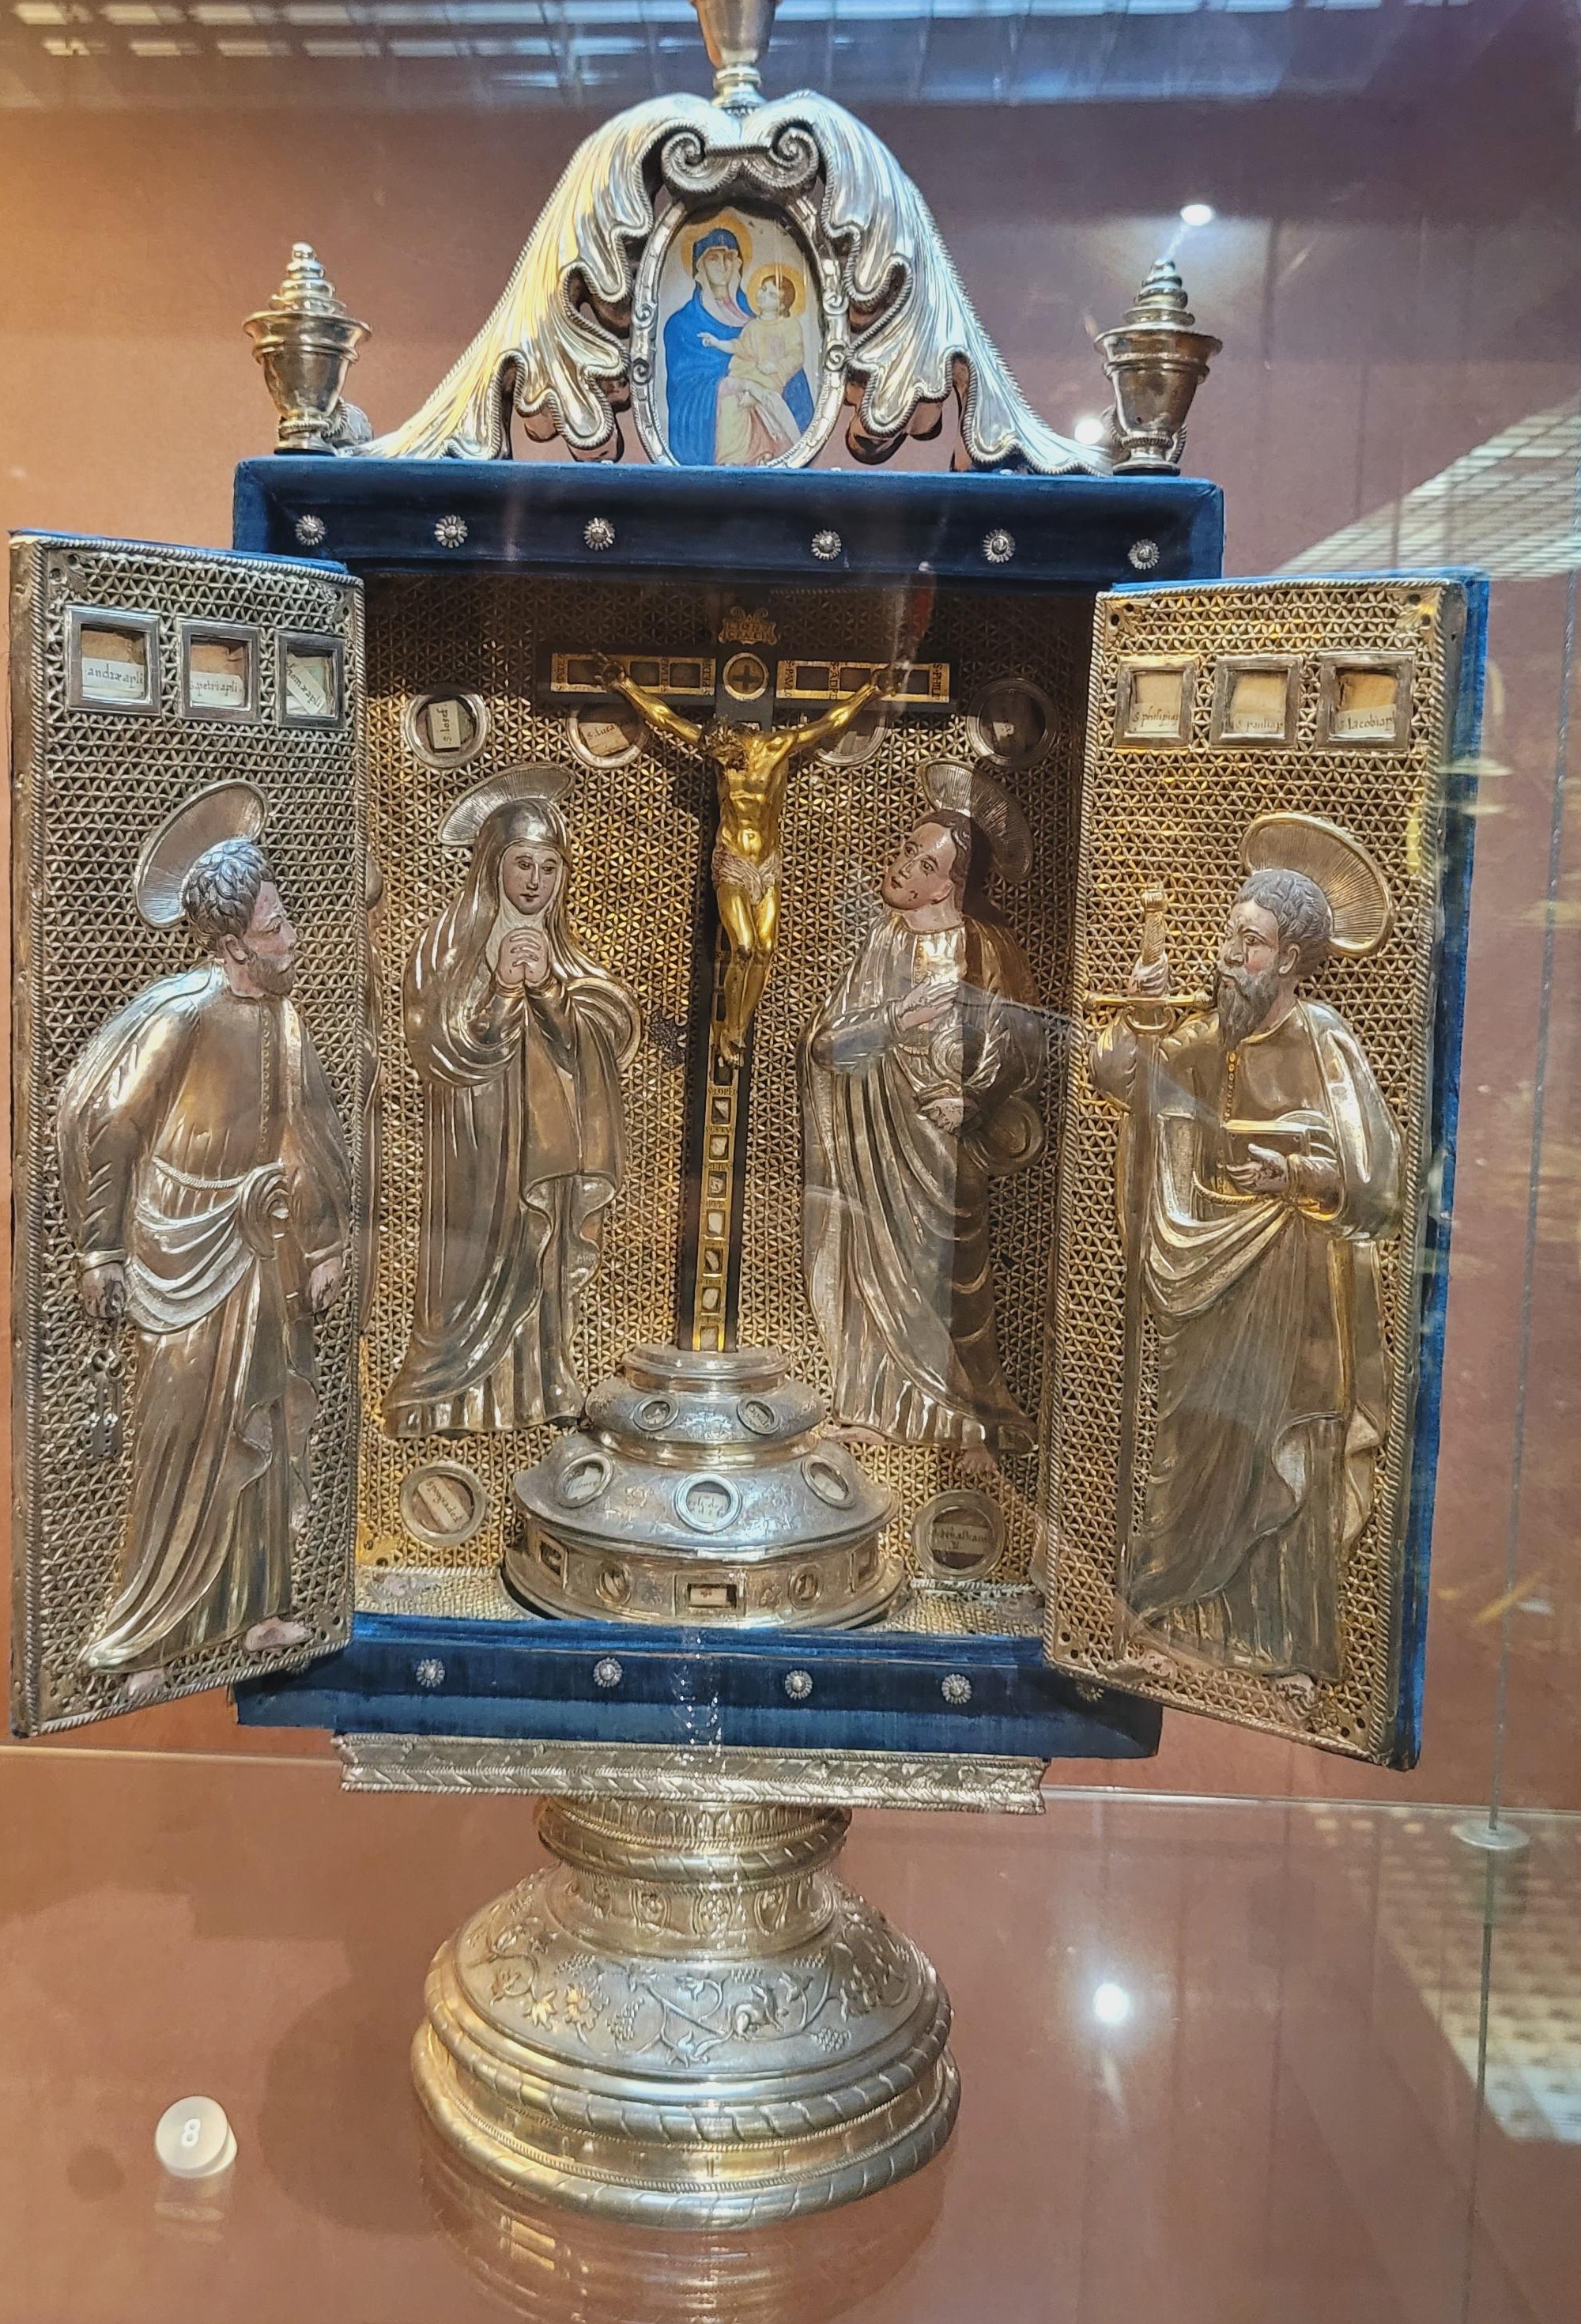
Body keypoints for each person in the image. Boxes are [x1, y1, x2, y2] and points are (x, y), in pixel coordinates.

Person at [1090, 863, 1401, 1698]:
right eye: (1229, 935)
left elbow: (1375, 1183)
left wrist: (1296, 1173)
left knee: (1281, 1457)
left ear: (1291, 959)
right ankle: (1173, 1624)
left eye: (1249, 941)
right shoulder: (1209, 1039)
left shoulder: (1324, 1039)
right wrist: (1138, 1012)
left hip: (1296, 1285)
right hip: (1209, 1279)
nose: (1228, 953)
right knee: (1196, 1443)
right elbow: (1124, 1081)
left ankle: (1287, 1652)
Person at [58, 837, 349, 1695]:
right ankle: (148, 1635)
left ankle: (259, 1609)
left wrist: (327, 1244)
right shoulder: (184, 1017)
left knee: (267, 1423)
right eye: (275, 926)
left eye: (285, 919)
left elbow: (314, 1135)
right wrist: (102, 1249)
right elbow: (115, 1125)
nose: (292, 938)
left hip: (265, 1245)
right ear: (231, 947)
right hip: (181, 1249)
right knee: (180, 1432)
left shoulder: (286, 1023)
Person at [384, 794, 639, 1431]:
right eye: (523, 864)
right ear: (493, 864)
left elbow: (599, 1035)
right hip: (475, 1148)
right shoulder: (448, 945)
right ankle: (447, 1395)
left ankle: (540, 1391)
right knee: (473, 1268)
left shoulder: (565, 957)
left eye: (549, 868)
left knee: (539, 1257)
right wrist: (501, 989)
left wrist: (549, 990)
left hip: (544, 1155)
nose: (534, 882)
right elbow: (439, 1044)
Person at [802, 794, 1043, 1452]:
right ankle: (878, 1406)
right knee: (873, 1270)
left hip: (944, 1152)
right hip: (873, 1149)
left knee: (953, 1282)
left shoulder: (985, 947)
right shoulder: (882, 940)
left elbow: (1026, 1046)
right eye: (906, 849)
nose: (903, 865)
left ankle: (969, 1414)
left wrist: (975, 1100)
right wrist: (894, 1020)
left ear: (949, 885)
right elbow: (826, 1047)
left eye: (923, 862)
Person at [600, 659, 885, 1064]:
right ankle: (727, 1028)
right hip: (732, 861)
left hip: (767, 863)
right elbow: (666, 720)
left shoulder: (775, 747)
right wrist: (625, 685)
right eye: (715, 757)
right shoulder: (719, 754)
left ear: (738, 741)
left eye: (725, 755)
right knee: (746, 948)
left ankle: (738, 1025)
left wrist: (870, 691)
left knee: (766, 949)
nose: (721, 763)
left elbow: (829, 723)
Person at [662, 228, 813, 466]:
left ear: (738, 264)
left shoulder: (760, 321)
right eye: (713, 258)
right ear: (700, 267)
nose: (723, 266)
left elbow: (794, 377)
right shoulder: (682, 326)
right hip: (722, 438)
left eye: (729, 258)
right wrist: (739, 385)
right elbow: (685, 393)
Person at [715, 263, 812, 464]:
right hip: (749, 374)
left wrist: (776, 366)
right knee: (731, 400)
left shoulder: (790, 326)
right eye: (763, 289)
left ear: (782, 305)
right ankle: (735, 457)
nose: (763, 295)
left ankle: (765, 450)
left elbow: (796, 355)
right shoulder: (752, 327)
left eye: (772, 295)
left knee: (759, 403)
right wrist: (717, 343)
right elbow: (741, 347)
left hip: (770, 380)